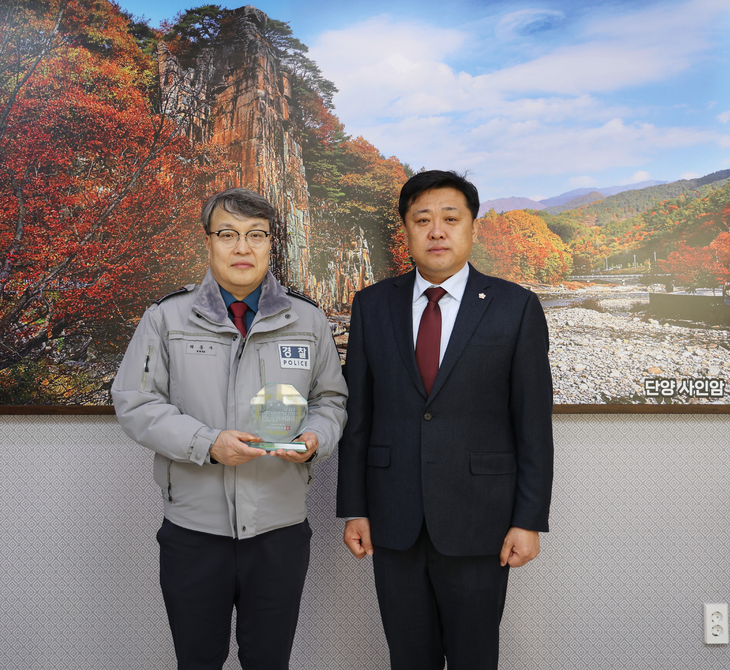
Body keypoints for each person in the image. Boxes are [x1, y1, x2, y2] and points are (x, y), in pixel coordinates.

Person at [112, 188, 347, 670]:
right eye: (228, 234)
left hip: (279, 529)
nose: (243, 248)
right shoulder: (166, 317)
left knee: (269, 660)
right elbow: (135, 401)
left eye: (256, 235)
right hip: (194, 531)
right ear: (208, 241)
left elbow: (331, 400)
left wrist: (317, 438)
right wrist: (208, 443)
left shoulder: (307, 319)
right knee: (198, 660)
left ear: (271, 243)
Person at [337, 170, 553, 670]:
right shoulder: (372, 305)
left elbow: (533, 425)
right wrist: (354, 508)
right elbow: (357, 416)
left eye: (450, 219)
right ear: (406, 231)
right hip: (393, 516)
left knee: (475, 657)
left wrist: (528, 519)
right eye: (422, 220)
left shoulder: (515, 306)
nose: (437, 231)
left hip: (481, 519)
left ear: (472, 227)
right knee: (408, 658)